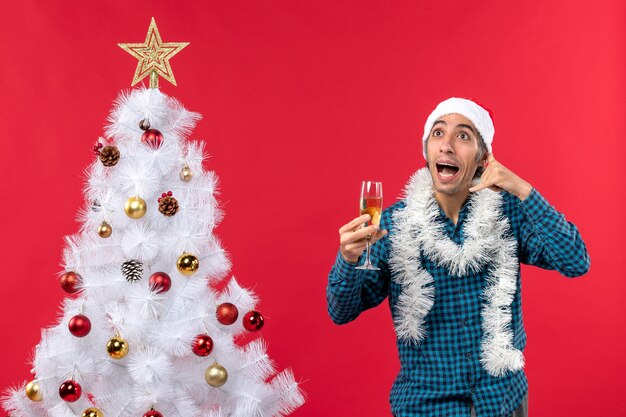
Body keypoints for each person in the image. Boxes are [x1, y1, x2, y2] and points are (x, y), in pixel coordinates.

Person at [326, 97, 590, 417]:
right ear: (426, 153)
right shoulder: (393, 227)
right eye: (438, 133)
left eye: (463, 136)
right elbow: (341, 312)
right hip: (426, 408)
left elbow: (576, 261)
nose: (447, 145)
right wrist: (348, 259)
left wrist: (522, 189)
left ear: (482, 160)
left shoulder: (508, 213)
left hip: (503, 403)